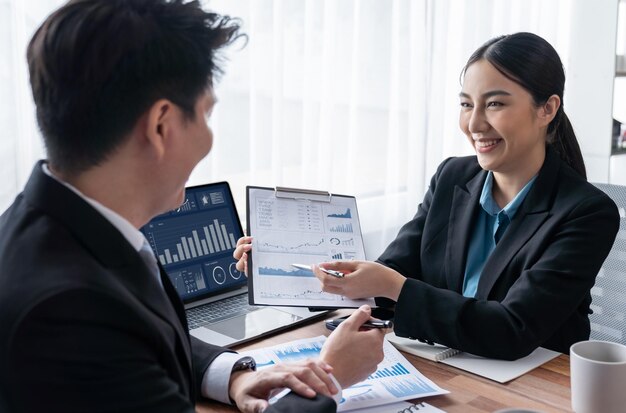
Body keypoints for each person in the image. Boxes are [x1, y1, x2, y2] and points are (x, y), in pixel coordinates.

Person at [0, 1, 386, 412]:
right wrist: (330, 377)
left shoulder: (62, 225)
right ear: (161, 125)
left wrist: (234, 374)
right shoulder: (66, 310)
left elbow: (141, 335)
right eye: (205, 113)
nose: (208, 138)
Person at [236, 32, 620, 361]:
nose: (474, 124)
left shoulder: (586, 212)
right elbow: (389, 275)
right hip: (447, 369)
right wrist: (287, 271)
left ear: (547, 109)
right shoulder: (453, 176)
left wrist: (392, 286)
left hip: (531, 389)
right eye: (467, 103)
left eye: (495, 103)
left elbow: (512, 329)